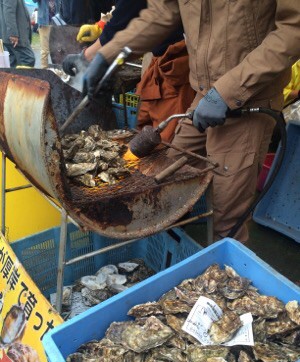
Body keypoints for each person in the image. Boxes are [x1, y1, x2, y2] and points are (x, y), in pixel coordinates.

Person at [82, 0, 300, 243]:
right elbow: (161, 13)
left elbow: (294, 29)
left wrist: (228, 91)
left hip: (249, 99)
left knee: (226, 219)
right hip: (203, 94)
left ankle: (222, 272)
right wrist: (107, 55)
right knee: (164, 176)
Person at [63, 0, 195, 142]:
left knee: (165, 139)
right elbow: (141, 10)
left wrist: (91, 55)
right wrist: (103, 26)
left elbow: (132, 9)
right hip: (154, 53)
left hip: (176, 59)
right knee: (143, 127)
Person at [0, 0, 35, 67]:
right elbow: (9, 12)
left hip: (12, 34)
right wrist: (13, 34)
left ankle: (14, 77)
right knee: (28, 59)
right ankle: (23, 77)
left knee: (13, 62)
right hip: (15, 35)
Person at [32, 0, 60, 68]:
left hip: (57, 23)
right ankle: (44, 70)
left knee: (58, 49)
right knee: (45, 51)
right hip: (44, 23)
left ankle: (58, 71)